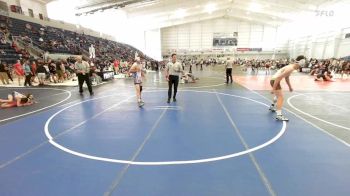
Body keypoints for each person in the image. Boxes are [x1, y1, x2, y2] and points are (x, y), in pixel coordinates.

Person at [269, 55, 306, 121]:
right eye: (304, 62)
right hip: (275, 80)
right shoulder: (290, 68)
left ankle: (272, 106)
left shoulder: (291, 67)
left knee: (278, 95)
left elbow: (286, 77)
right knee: (281, 97)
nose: (304, 63)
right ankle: (279, 115)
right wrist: (273, 89)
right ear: (301, 62)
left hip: (274, 80)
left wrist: (290, 86)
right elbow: (278, 78)